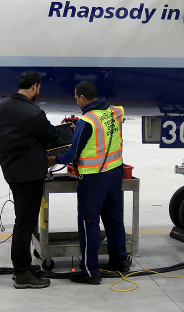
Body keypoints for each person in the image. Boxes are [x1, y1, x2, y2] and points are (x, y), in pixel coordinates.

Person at [49, 81, 130, 284]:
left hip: (94, 178)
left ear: (83, 98)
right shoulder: (114, 111)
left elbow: (72, 154)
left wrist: (54, 159)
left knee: (89, 223)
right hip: (115, 173)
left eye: (77, 98)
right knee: (114, 219)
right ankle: (120, 261)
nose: (76, 102)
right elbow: (110, 125)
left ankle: (90, 271)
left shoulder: (88, 121)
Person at [0, 70, 59, 289]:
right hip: (29, 175)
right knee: (25, 223)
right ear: (35, 86)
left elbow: (17, 135)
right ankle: (22, 273)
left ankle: (22, 267)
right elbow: (52, 135)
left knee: (23, 220)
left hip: (11, 172)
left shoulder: (2, 107)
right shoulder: (34, 112)